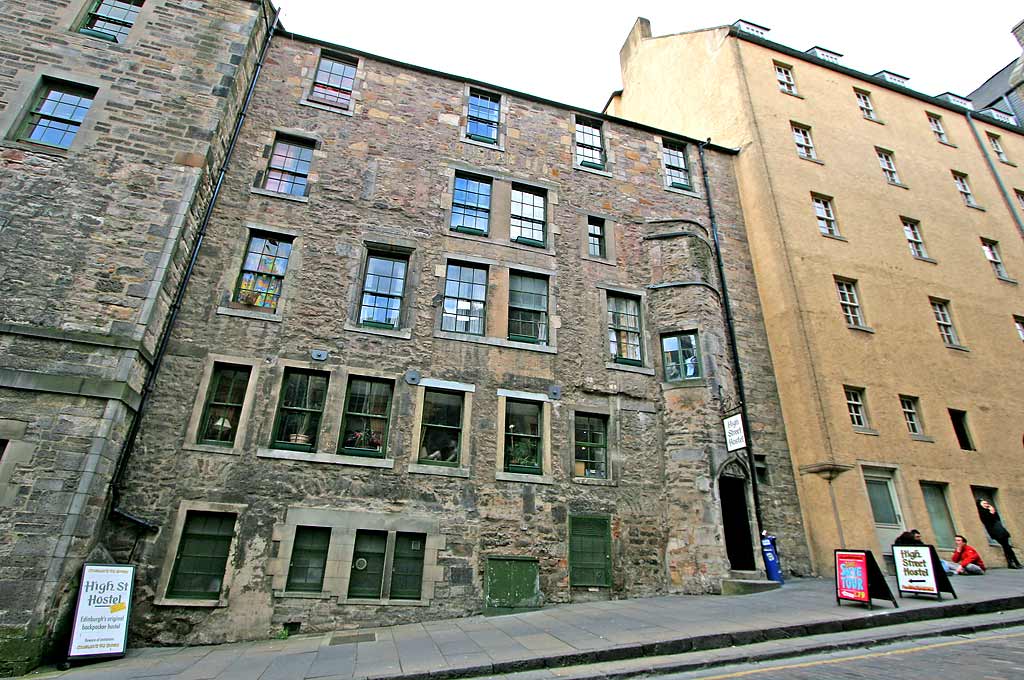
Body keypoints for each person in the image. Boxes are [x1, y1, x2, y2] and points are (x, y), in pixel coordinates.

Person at [977, 499, 1023, 569]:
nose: (986, 504)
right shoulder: (982, 512)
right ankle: (1015, 562)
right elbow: (989, 521)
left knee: (1006, 547)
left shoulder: (988, 511)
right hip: (995, 531)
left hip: (1000, 530)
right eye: (984, 503)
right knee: (1007, 547)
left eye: (987, 503)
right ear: (980, 505)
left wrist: (993, 512)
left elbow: (998, 519)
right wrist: (992, 512)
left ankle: (1011, 563)